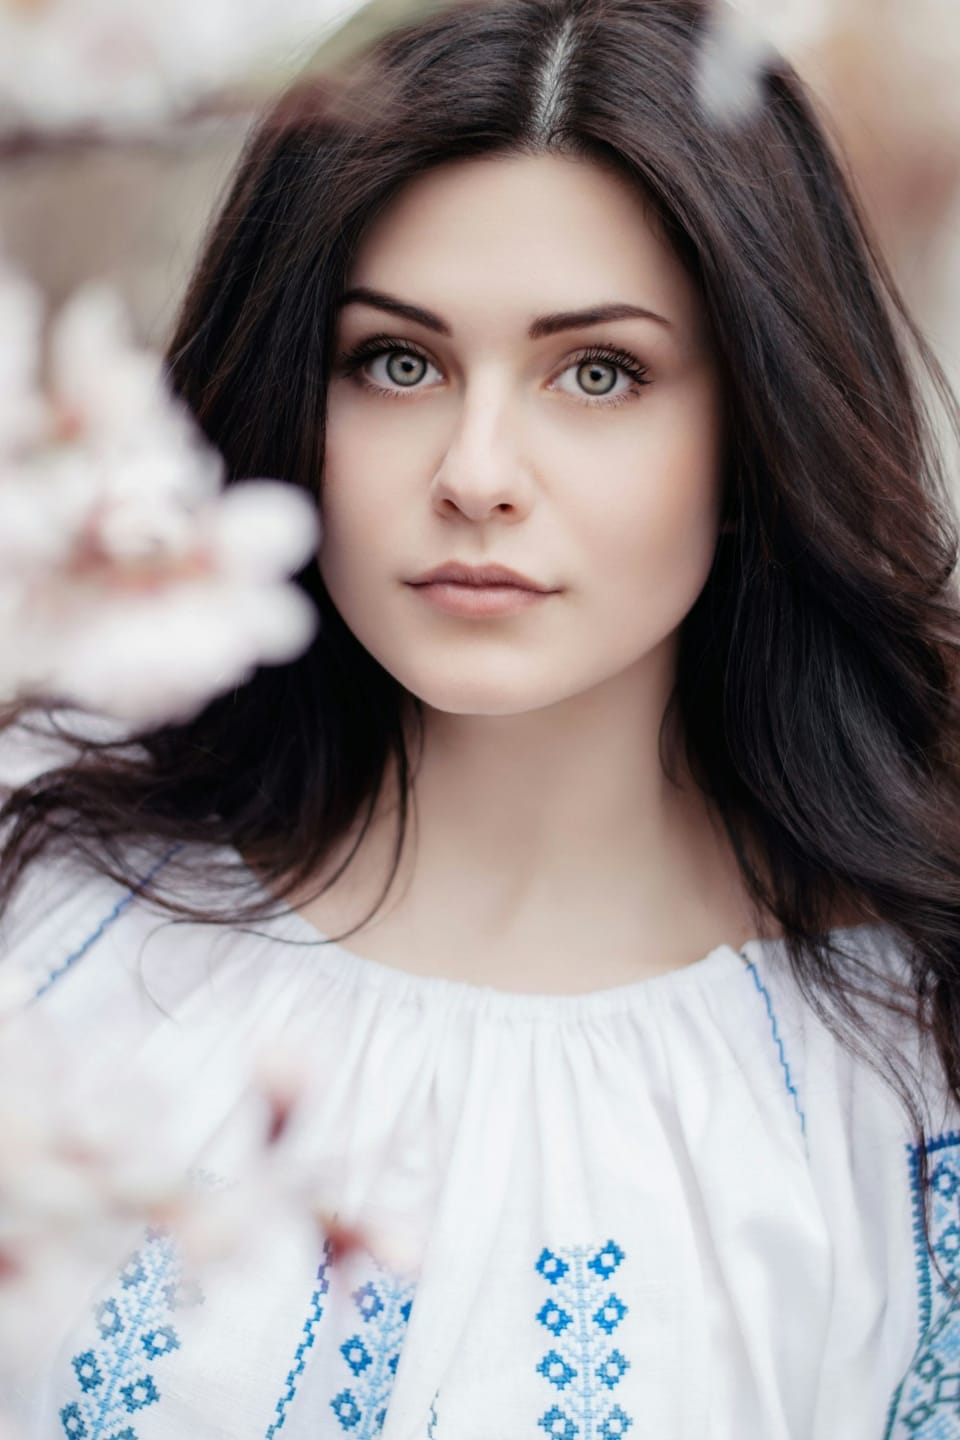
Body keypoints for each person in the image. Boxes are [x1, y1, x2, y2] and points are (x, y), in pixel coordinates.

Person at [2, 0, 960, 1435]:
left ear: (760, 419)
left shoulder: (899, 1062)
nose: (477, 471)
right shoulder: (53, 905)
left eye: (600, 372)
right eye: (398, 361)